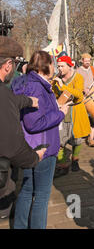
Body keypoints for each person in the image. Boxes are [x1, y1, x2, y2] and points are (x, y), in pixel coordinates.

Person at [11, 51, 68, 229]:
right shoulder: (36, 87)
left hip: (27, 145)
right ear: (46, 65)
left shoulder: (25, 82)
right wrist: (60, 113)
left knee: (27, 191)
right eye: (52, 63)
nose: (55, 67)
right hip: (42, 147)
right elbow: (34, 123)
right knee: (41, 196)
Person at [0, 38, 45, 219]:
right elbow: (12, 144)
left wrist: (29, 101)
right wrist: (34, 157)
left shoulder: (6, 94)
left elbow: (11, 99)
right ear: (8, 64)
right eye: (16, 63)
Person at [52, 56, 91, 177]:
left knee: (77, 139)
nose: (59, 68)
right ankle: (62, 165)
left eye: (62, 66)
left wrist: (63, 86)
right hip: (62, 112)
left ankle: (75, 160)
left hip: (76, 111)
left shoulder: (78, 77)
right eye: (58, 66)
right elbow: (54, 94)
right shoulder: (56, 78)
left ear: (70, 66)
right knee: (59, 140)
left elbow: (79, 95)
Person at [76, 53, 94, 147]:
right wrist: (83, 89)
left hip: (93, 97)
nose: (87, 62)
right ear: (82, 60)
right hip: (83, 98)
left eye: (89, 60)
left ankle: (91, 139)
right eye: (85, 60)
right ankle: (81, 137)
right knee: (83, 118)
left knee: (93, 119)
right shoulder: (78, 71)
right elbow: (75, 84)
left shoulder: (93, 69)